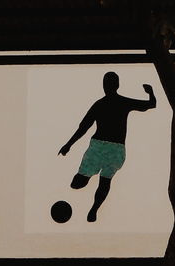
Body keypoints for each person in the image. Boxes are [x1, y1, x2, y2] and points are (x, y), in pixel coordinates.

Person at [58, 71, 156, 221]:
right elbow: (150, 104)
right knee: (101, 181)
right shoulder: (120, 102)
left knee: (80, 183)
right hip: (116, 150)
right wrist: (151, 93)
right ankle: (94, 208)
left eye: (107, 83)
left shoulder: (100, 104)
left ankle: (93, 207)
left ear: (109, 86)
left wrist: (69, 144)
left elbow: (83, 127)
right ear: (117, 85)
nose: (107, 86)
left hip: (100, 147)